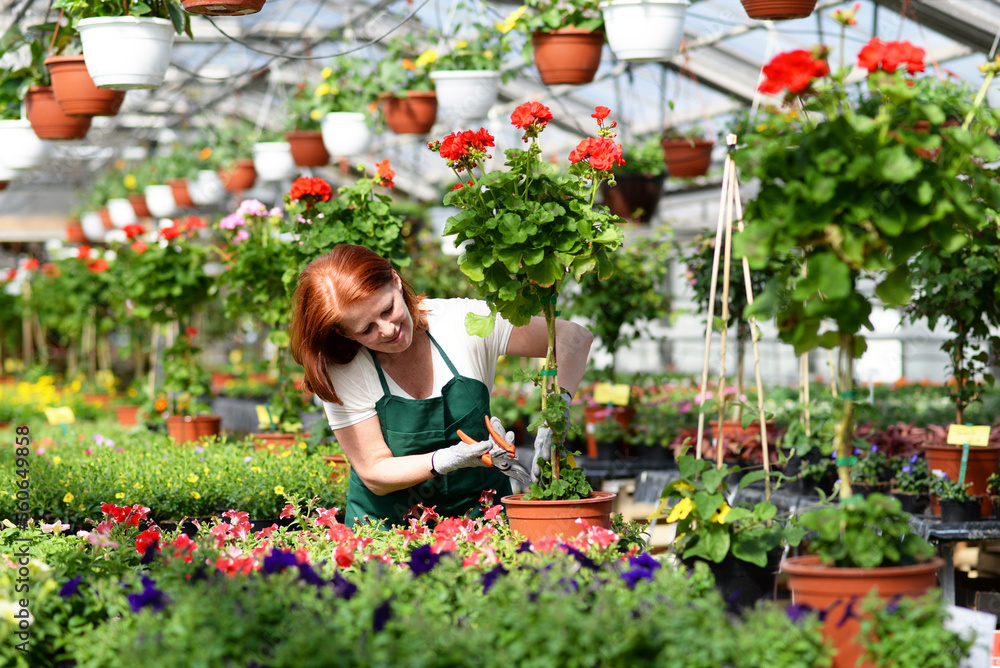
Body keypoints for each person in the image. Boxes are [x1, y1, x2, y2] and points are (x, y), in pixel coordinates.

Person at [289, 244, 593, 527]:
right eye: (366, 329)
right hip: (387, 529)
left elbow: (573, 339)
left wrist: (555, 415)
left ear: (395, 280)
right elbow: (374, 471)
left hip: (481, 517)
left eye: (387, 309)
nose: (388, 329)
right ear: (346, 334)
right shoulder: (344, 367)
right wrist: (447, 459)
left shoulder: (461, 323)